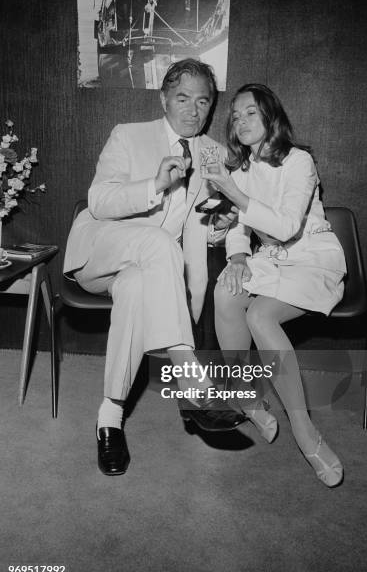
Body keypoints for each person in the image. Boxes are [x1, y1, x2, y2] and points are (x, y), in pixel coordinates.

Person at [63, 59, 246, 476]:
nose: (192, 110)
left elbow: (208, 228)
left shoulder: (213, 154)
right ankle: (191, 380)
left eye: (203, 101)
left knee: (134, 288)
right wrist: (155, 186)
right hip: (100, 254)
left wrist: (222, 230)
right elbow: (100, 202)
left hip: (147, 269)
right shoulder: (128, 135)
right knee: (158, 243)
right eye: (182, 98)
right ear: (164, 98)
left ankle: (109, 418)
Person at [203, 83, 346, 488]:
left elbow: (284, 227)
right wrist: (236, 257)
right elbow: (238, 229)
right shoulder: (240, 170)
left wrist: (233, 193)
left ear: (271, 117)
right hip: (269, 259)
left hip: (310, 255)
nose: (241, 120)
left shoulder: (299, 161)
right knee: (225, 291)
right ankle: (245, 396)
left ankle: (305, 433)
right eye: (235, 115)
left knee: (262, 317)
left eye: (251, 112)